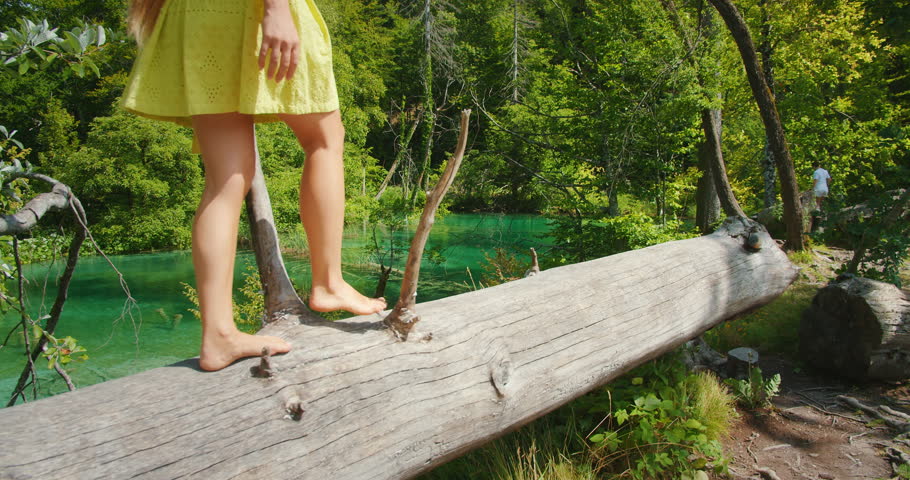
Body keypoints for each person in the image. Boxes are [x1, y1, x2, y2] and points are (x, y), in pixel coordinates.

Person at [121, 0, 386, 371]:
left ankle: (218, 334)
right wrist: (276, 9)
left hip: (198, 17)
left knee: (225, 179)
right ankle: (328, 281)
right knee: (324, 140)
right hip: (251, 11)